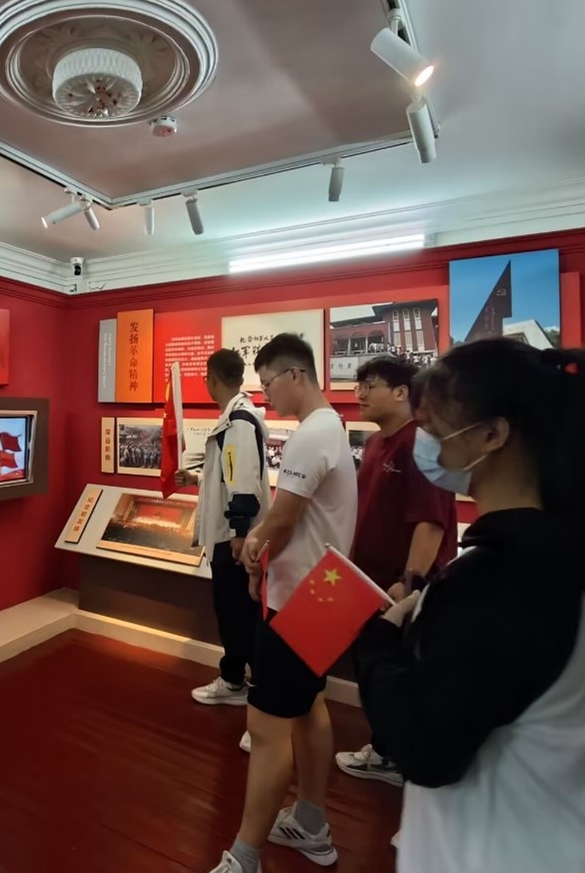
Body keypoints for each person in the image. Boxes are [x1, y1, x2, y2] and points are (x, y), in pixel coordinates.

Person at [353, 339, 585, 873]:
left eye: (432, 427)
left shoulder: (500, 581)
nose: (424, 444)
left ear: (492, 434)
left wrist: (378, 643)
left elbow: (424, 748)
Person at [210, 333, 358, 873]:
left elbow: (283, 518)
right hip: (325, 593)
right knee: (308, 708)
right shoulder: (331, 427)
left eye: (269, 382)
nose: (266, 394)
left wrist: (253, 551)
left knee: (268, 729)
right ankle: (311, 824)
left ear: (296, 375)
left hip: (298, 600)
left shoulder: (311, 433)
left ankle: (244, 856)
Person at [336, 355, 457, 791]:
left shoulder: (418, 445)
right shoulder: (374, 444)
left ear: (402, 392)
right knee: (372, 666)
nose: (360, 394)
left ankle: (395, 756)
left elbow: (430, 522)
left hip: (400, 590)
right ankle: (385, 749)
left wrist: (410, 583)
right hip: (366, 581)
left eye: (371, 385)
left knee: (401, 670)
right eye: (359, 385)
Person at [177, 349, 272, 753]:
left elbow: (242, 479)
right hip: (231, 535)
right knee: (232, 613)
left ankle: (261, 705)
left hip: (236, 538)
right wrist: (195, 475)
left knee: (242, 615)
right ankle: (234, 680)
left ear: (211, 379)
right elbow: (228, 472)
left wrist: (238, 530)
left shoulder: (240, 421)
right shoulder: (236, 419)